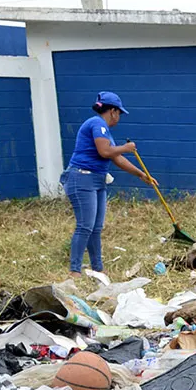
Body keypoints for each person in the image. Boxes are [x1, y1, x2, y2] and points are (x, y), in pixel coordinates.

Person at [62, 91, 154, 279]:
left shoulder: (104, 130)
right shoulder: (97, 123)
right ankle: (74, 271)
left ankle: (98, 269)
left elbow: (116, 158)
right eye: (119, 113)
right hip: (82, 178)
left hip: (96, 179)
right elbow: (105, 152)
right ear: (112, 111)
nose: (118, 118)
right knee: (85, 226)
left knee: (96, 227)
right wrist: (127, 148)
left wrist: (141, 175)